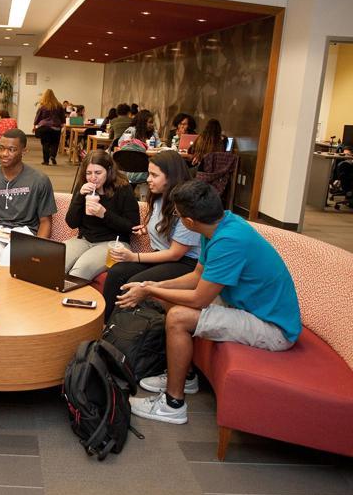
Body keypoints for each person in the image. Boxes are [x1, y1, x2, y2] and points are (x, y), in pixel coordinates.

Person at [120, 180, 301, 425]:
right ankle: (187, 376)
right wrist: (150, 287)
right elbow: (196, 277)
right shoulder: (217, 225)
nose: (177, 217)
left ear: (189, 222)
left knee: (178, 317)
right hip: (246, 307)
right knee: (169, 303)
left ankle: (173, 404)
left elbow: (199, 298)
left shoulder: (229, 240)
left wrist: (151, 289)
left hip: (273, 327)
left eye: (177, 214)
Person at [102, 150, 200, 320]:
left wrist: (134, 257)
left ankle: (118, 332)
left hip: (185, 263)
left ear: (171, 177)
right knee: (117, 272)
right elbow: (163, 224)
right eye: (149, 174)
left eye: (154, 175)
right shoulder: (159, 197)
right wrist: (147, 228)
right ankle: (103, 325)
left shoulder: (187, 205)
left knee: (136, 282)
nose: (148, 179)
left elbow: (175, 253)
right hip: (162, 257)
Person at [0, 128, 57, 266]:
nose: (4, 154)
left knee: (9, 258)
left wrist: (38, 248)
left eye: (11, 149)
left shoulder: (39, 180)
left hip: (25, 233)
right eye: (2, 148)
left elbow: (45, 221)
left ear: (24, 151)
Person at [64, 150, 140, 280]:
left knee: (79, 271)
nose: (93, 177)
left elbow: (132, 226)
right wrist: (79, 197)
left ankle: (71, 300)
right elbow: (71, 223)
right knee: (56, 263)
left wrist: (104, 214)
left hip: (113, 242)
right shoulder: (84, 187)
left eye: (98, 173)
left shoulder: (123, 188)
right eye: (89, 173)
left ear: (109, 171)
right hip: (85, 239)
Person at [33, 89, 66, 165]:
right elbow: (62, 116)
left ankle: (46, 161)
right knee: (55, 143)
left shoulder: (43, 106)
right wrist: (62, 123)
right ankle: (53, 155)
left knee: (45, 144)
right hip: (56, 127)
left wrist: (35, 124)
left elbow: (38, 116)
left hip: (45, 127)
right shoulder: (59, 105)